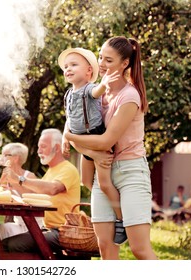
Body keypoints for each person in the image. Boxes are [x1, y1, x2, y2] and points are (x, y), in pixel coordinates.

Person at [65, 36, 157, 260]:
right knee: (105, 246)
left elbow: (106, 140)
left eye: (109, 60)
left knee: (139, 249)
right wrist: (89, 150)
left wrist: (68, 136)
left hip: (130, 173)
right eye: (100, 58)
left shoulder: (129, 96)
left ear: (124, 63)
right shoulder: (96, 93)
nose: (102, 64)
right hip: (102, 171)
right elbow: (80, 128)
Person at [58, 47, 125, 244]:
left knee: (104, 183)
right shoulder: (69, 94)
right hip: (80, 140)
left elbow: (97, 92)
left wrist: (104, 84)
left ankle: (122, 219)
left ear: (88, 71)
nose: (68, 69)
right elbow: (69, 120)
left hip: (94, 137)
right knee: (86, 180)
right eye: (66, 66)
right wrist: (65, 138)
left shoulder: (89, 88)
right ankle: (110, 208)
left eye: (73, 65)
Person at [0, 128, 81, 254]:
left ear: (57, 147)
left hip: (63, 231)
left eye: (43, 146)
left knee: (12, 244)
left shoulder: (68, 169)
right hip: (47, 228)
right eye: (38, 147)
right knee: (2, 241)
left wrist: (19, 179)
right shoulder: (51, 171)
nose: (38, 151)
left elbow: (53, 188)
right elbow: (36, 196)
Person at [0, 142, 42, 237]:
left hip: (32, 225)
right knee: (0, 229)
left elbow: (29, 194)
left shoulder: (29, 176)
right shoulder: (4, 176)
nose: (1, 158)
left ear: (16, 158)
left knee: (3, 230)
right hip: (19, 224)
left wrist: (13, 181)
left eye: (5, 155)